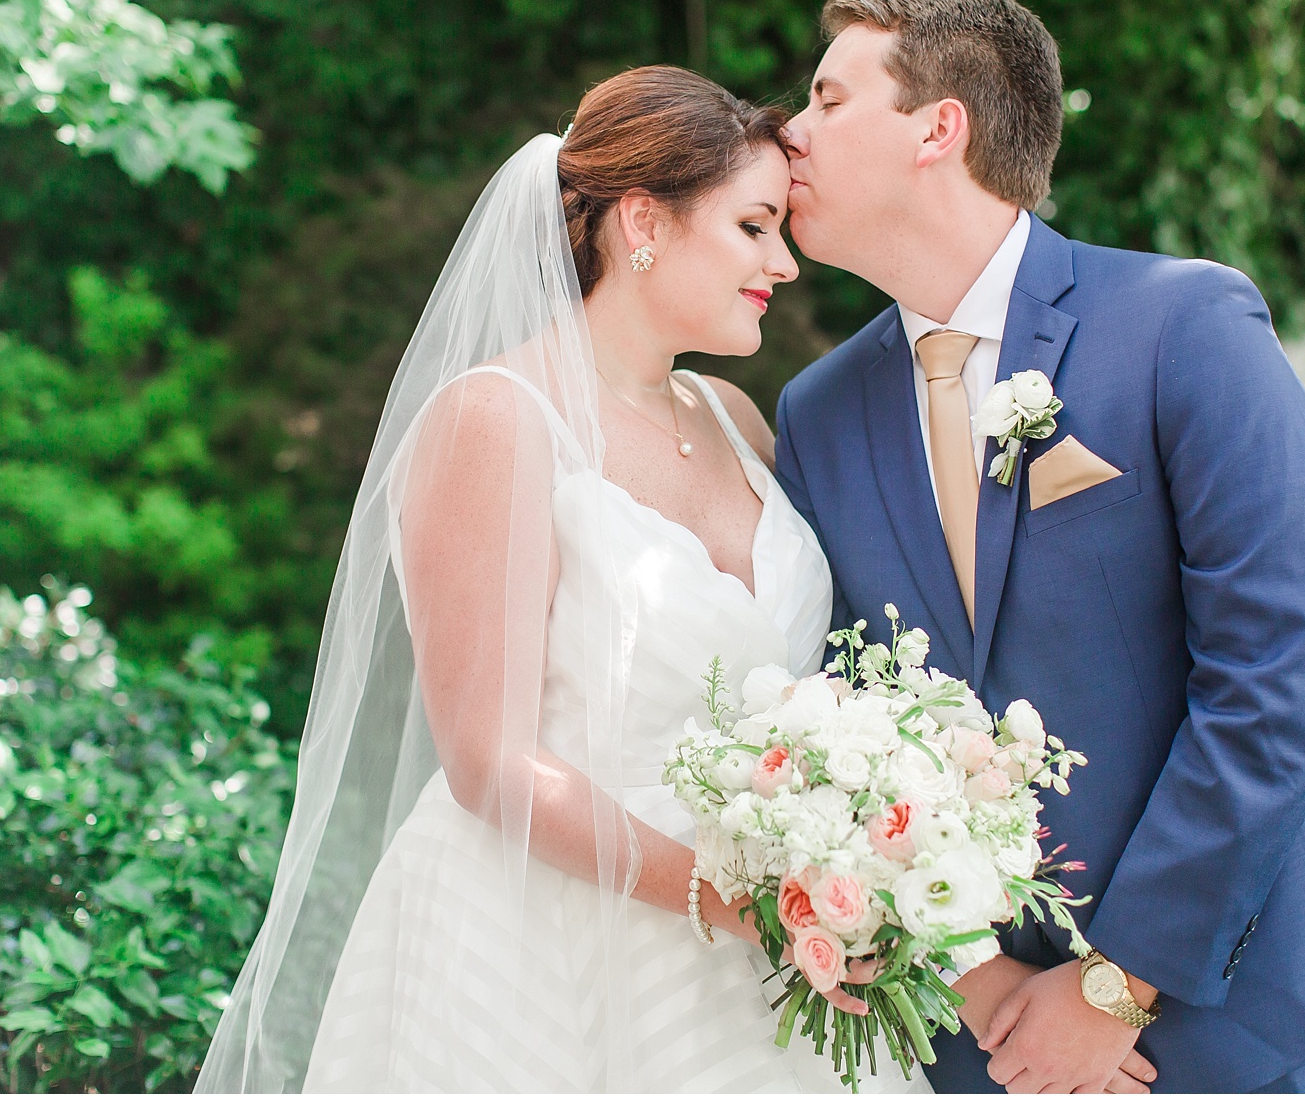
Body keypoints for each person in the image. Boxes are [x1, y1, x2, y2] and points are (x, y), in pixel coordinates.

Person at [196, 66, 927, 1093]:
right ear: (644, 223)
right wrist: (738, 898)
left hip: (764, 954)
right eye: (756, 226)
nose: (785, 265)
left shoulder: (735, 417)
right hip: (547, 951)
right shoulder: (494, 421)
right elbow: (490, 761)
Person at [774, 0, 1305, 1095]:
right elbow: (847, 723)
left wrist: (1118, 983)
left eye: (828, 97)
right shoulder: (818, 414)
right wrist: (985, 997)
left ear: (939, 126)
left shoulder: (1186, 325)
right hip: (991, 1050)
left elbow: (1274, 686)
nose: (791, 131)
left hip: (1232, 1022)